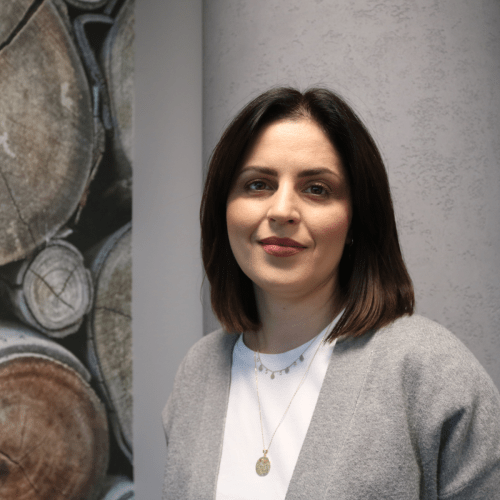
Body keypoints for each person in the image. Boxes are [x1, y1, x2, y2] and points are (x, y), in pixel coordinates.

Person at [162, 87, 500, 500]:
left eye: (317, 189)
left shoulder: (429, 370)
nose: (282, 211)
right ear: (224, 209)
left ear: (355, 219)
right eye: (258, 184)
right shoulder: (198, 372)